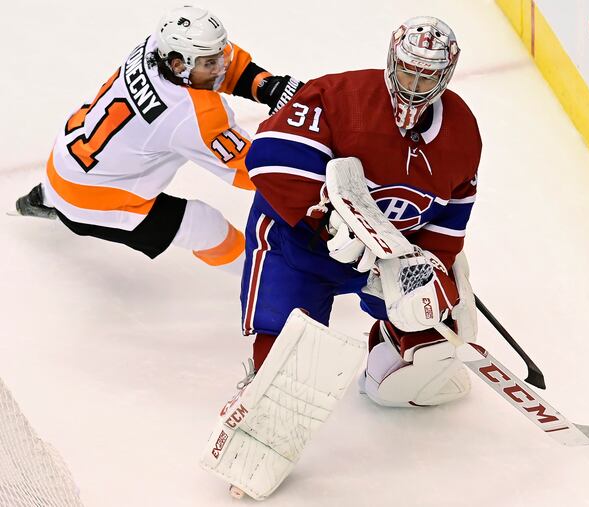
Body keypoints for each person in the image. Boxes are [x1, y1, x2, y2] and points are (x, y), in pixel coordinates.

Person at [200, 16, 481, 499]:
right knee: (286, 362)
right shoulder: (339, 95)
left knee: (433, 340)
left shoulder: (462, 131)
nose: (414, 85)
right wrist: (324, 217)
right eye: (407, 71)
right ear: (392, 62)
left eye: (426, 76)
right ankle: (260, 419)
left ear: (445, 74)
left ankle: (388, 373)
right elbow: (267, 156)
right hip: (299, 244)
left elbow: (451, 215)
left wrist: (432, 269)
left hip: (384, 258)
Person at [15, 6, 302, 273]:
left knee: (102, 168)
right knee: (205, 226)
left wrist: (265, 86)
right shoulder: (194, 115)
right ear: (178, 66)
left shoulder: (155, 45)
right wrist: (310, 152)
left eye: (220, 56)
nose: (221, 66)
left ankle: (47, 196)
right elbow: (254, 171)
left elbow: (216, 60)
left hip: (66, 157)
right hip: (93, 199)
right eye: (211, 62)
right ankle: (264, 279)